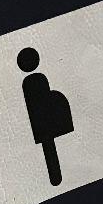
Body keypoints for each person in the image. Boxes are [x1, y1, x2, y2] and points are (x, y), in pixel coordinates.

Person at [17, 47, 74, 187]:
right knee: (50, 152)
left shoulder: (33, 82)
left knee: (49, 152)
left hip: (45, 127)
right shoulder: (35, 81)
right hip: (45, 127)